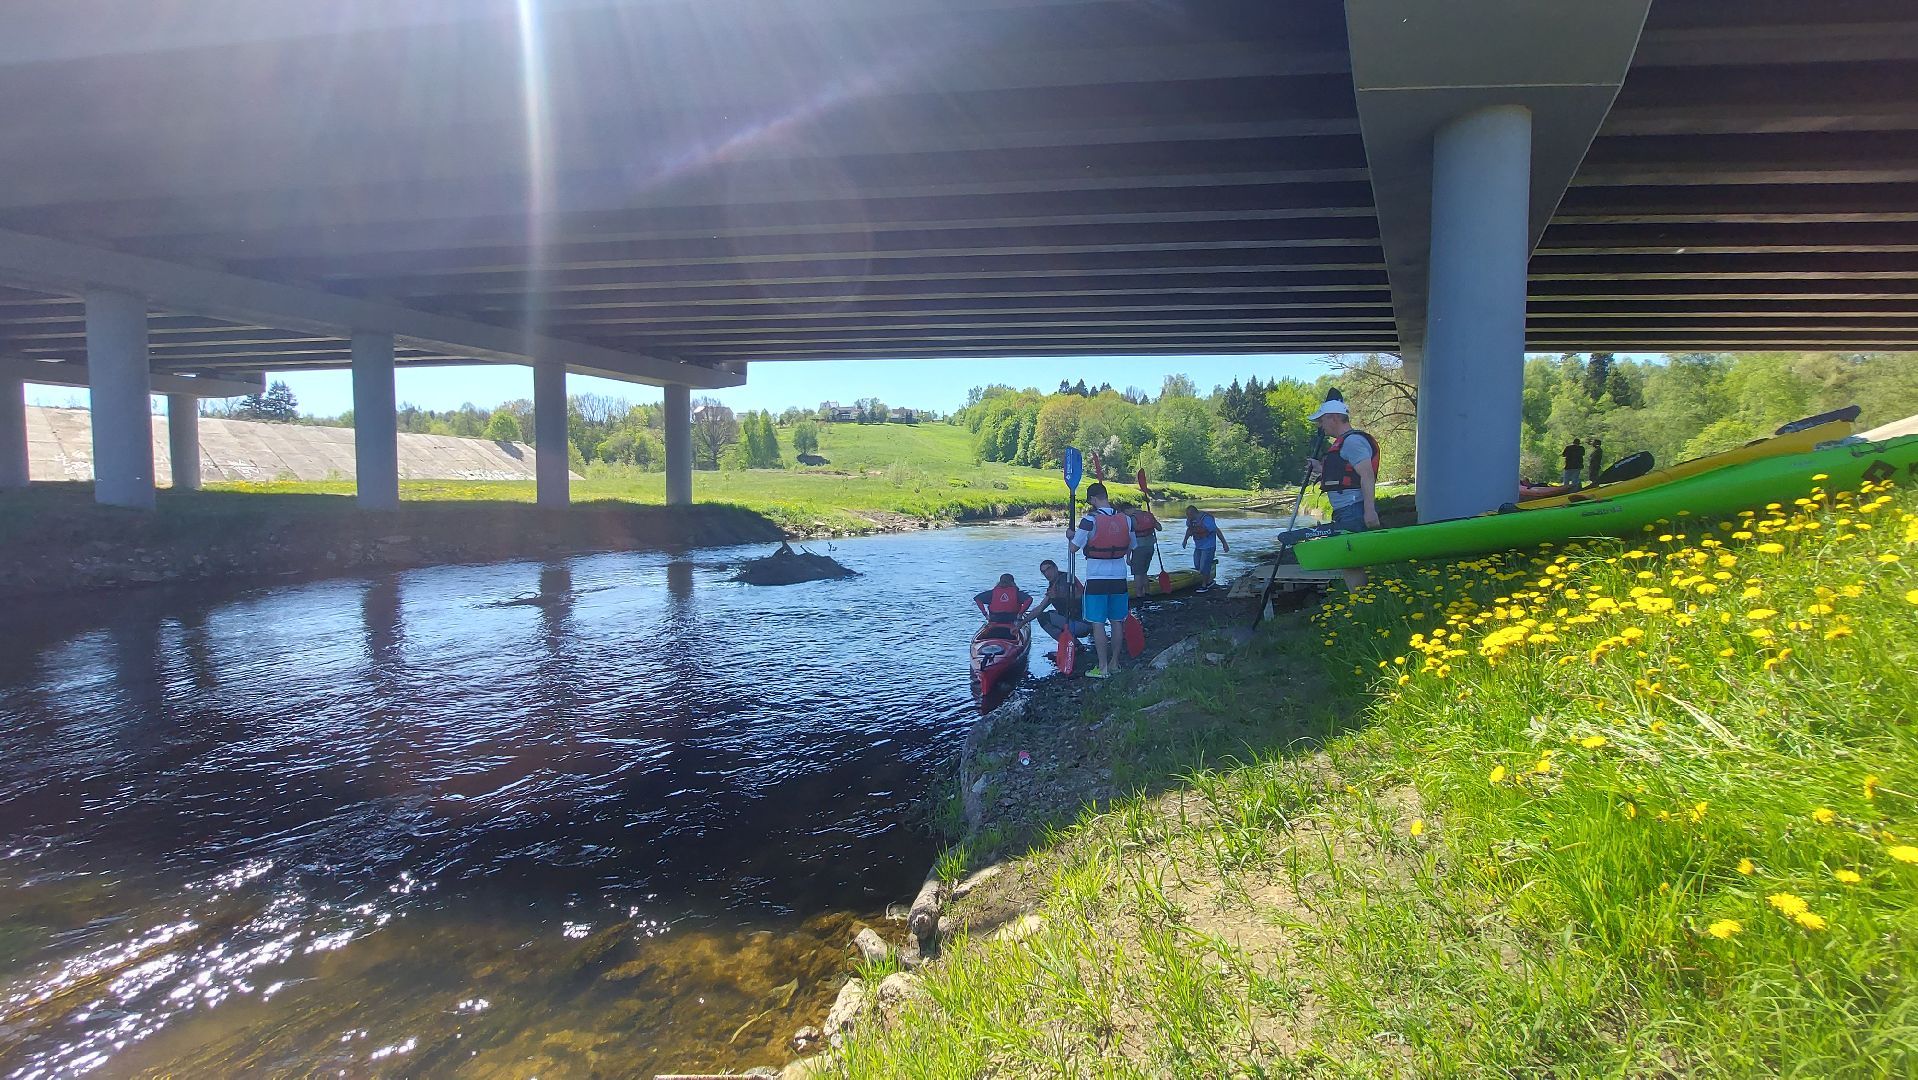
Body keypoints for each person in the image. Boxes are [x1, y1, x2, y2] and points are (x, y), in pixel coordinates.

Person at [1303, 397, 1380, 591]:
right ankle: (1358, 601)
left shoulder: (1353, 441)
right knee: (1349, 560)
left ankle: (1361, 602)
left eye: (1322, 420)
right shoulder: (1343, 443)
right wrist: (1320, 468)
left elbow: (1367, 475)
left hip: (1353, 508)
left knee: (1351, 559)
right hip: (1345, 510)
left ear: (1335, 418)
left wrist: (1369, 511)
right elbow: (1345, 473)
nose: (1320, 425)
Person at [1067, 482, 1135, 679]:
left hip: (1096, 577)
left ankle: (1103, 667)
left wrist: (1070, 536)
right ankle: (1115, 664)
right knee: (1116, 621)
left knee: (1098, 623)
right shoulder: (1126, 520)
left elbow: (1074, 548)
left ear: (1092, 500)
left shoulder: (1089, 520)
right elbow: (1132, 545)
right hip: (1119, 577)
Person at [1020, 559, 1089, 641]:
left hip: (1081, 623)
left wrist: (1058, 595)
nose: (1046, 574)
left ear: (1055, 568)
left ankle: (1072, 643)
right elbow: (1039, 608)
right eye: (1043, 572)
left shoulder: (1066, 579)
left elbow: (1079, 595)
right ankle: (1074, 644)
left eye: (1048, 569)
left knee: (1043, 617)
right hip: (1076, 622)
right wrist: (1021, 624)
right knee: (1049, 613)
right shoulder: (1053, 586)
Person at [1121, 499, 1163, 599]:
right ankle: (1147, 593)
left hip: (1138, 548)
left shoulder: (1131, 519)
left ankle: (1139, 595)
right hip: (1150, 547)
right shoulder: (1148, 514)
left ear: (1126, 510)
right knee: (1144, 572)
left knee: (1138, 573)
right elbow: (1159, 528)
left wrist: (1128, 557)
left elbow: (1129, 539)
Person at [1181, 505, 1229, 591]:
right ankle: (1209, 579)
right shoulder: (1190, 520)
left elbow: (1217, 531)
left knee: (1204, 566)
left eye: (1189, 515)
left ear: (1194, 513)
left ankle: (1204, 586)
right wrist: (1185, 541)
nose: (1188, 517)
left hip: (1209, 546)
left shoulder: (1206, 519)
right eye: (1187, 515)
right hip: (1198, 546)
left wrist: (1224, 544)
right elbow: (1189, 530)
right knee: (1197, 565)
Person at [973, 573, 1031, 638]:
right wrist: (1020, 613)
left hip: (994, 619)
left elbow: (977, 598)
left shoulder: (992, 593)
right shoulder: (1017, 593)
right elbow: (1029, 600)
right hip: (1012, 619)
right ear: (1012, 582)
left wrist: (985, 614)